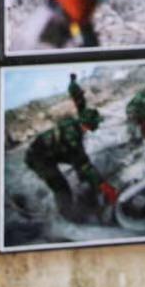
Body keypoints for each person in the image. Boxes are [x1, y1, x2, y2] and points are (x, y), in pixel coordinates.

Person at [23, 74, 119, 208]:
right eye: (95, 124)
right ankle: (69, 214)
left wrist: (73, 83)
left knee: (82, 168)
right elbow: (84, 163)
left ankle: (87, 188)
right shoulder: (72, 137)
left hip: (55, 150)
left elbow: (80, 101)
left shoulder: (79, 121)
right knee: (61, 186)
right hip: (39, 157)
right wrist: (105, 187)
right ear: (89, 125)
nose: (96, 127)